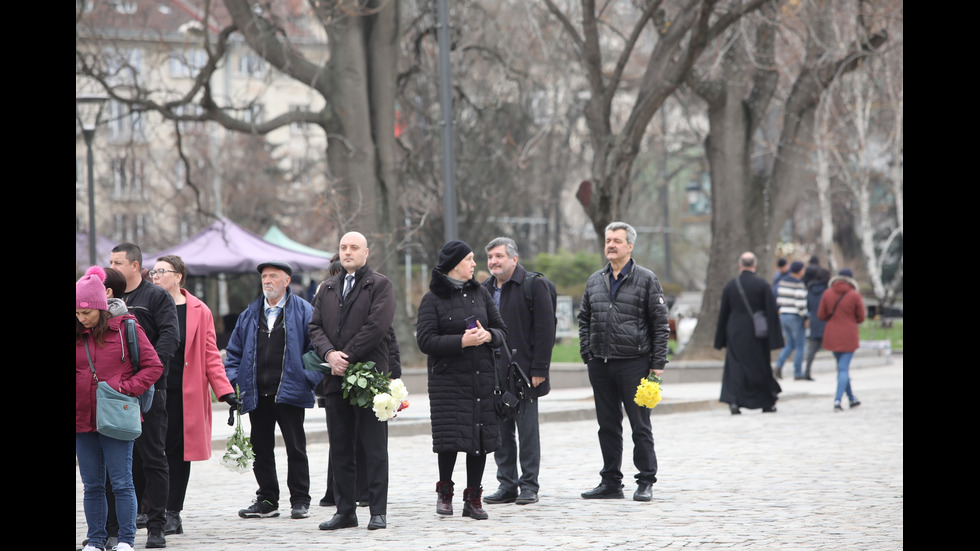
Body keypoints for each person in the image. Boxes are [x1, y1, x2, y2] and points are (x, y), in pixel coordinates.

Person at [309, 232, 397, 531]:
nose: (348, 252)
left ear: (366, 252)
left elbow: (377, 326)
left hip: (369, 379)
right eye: (343, 247)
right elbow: (315, 326)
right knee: (341, 447)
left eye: (354, 248)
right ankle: (345, 510)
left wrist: (346, 355)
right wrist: (330, 354)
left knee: (373, 447)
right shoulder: (328, 287)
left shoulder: (380, 284)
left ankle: (377, 510)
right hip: (335, 380)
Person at [577, 222, 670, 502]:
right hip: (601, 365)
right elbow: (584, 319)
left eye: (617, 240)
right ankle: (610, 481)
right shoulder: (595, 280)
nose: (611, 245)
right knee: (607, 425)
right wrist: (587, 353)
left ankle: (645, 480)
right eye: (608, 240)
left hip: (635, 364)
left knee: (640, 426)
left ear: (630, 246)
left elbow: (660, 325)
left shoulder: (646, 279)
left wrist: (657, 366)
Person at [150, 254, 241, 535]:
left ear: (178, 276)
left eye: (160, 271)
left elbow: (211, 354)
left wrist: (225, 391)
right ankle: (148, 510)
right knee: (151, 453)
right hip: (151, 388)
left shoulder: (199, 310)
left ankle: (172, 512)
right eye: (152, 272)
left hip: (183, 391)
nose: (154, 276)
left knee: (178, 452)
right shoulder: (146, 305)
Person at [416, 240, 507, 520]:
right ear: (456, 264)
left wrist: (488, 336)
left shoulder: (481, 292)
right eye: (470, 259)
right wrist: (462, 341)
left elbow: (502, 329)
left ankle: (474, 498)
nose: (474, 264)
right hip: (448, 382)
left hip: (481, 379)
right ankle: (445, 494)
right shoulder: (432, 299)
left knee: (478, 438)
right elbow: (425, 340)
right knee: (450, 439)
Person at [77, 266, 164, 551]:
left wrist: (124, 389)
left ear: (101, 308)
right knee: (92, 485)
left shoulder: (126, 327)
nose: (81, 318)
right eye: (76, 313)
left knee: (122, 482)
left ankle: (126, 539)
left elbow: (154, 366)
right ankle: (97, 539)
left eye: (86, 313)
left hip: (117, 415)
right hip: (82, 419)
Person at [224, 260, 319, 521]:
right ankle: (267, 499)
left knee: (295, 449)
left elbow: (317, 350)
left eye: (273, 276)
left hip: (290, 393)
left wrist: (306, 378)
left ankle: (300, 500)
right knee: (261, 448)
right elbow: (233, 354)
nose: (267, 281)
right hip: (258, 394)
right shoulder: (249, 314)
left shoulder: (304, 311)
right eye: (264, 276)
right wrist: (237, 383)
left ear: (287, 281)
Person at [109, 242, 180, 549]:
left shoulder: (156, 296)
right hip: (113, 394)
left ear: (135, 266)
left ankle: (156, 526)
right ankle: (113, 529)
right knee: (115, 463)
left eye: (118, 262)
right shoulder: (105, 296)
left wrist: (148, 376)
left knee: (153, 458)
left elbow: (169, 337)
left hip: (151, 391)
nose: (112, 267)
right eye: (109, 262)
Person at [481, 237, 555, 506]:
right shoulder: (484, 288)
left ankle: (529, 485)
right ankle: (507, 484)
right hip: (493, 374)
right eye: (490, 257)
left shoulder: (534, 284)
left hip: (524, 373)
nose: (493, 262)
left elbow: (546, 329)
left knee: (526, 431)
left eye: (499, 256)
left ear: (514, 259)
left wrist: (540, 369)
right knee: (500, 432)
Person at [714, 252, 784, 414]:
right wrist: (775, 340)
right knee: (760, 366)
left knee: (736, 368)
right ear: (755, 265)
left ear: (740, 265)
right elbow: (771, 312)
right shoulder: (762, 285)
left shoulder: (731, 285)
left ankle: (734, 401)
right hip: (757, 333)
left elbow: (723, 313)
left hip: (735, 332)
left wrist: (720, 339)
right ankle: (766, 402)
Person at [818, 268, 865, 412]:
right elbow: (861, 317)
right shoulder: (854, 295)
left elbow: (821, 315)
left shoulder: (827, 293)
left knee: (841, 368)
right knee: (844, 369)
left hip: (832, 334)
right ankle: (838, 400)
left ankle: (851, 398)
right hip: (849, 335)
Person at [774, 260, 808, 380]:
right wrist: (805, 317)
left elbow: (778, 300)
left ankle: (779, 364)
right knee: (800, 345)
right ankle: (798, 372)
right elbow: (800, 303)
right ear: (799, 270)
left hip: (784, 315)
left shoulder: (782, 282)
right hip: (795, 317)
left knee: (789, 344)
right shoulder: (799, 284)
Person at [802, 267, 832, 381]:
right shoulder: (827, 291)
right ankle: (842, 371)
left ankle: (807, 371)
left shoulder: (810, 289)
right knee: (836, 348)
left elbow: (808, 306)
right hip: (826, 321)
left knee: (813, 348)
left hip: (814, 320)